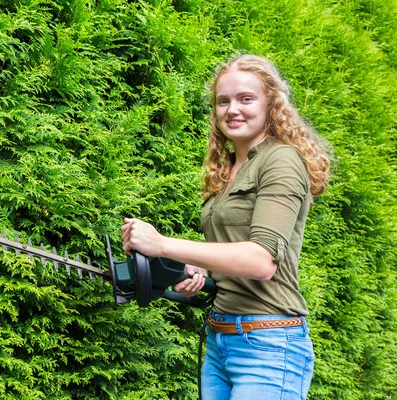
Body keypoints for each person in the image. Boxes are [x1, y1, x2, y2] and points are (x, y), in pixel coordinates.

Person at [121, 54, 331, 399]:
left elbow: (261, 261)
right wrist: (197, 269)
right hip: (221, 337)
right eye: (223, 101)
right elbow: (231, 252)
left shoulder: (281, 159)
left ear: (271, 105)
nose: (232, 109)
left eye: (246, 99)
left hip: (267, 343)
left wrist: (161, 244)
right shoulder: (230, 168)